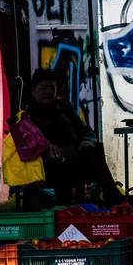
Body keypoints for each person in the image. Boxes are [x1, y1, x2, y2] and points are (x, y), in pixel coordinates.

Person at [25, 69, 124, 206]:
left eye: (51, 88)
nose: (48, 92)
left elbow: (87, 130)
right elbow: (26, 144)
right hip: (49, 167)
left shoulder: (63, 107)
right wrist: (45, 146)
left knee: (96, 149)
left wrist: (87, 140)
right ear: (33, 90)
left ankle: (113, 197)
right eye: (43, 88)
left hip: (74, 159)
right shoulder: (27, 116)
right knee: (65, 169)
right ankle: (114, 198)